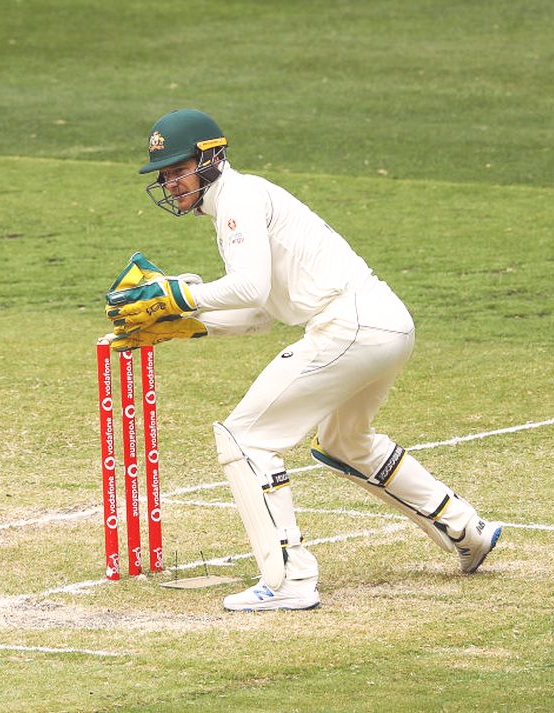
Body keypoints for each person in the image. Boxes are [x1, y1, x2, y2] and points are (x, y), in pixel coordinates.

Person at [105, 109, 502, 611]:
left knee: (246, 437)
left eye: (176, 169)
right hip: (384, 322)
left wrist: (176, 294)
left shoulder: (238, 198)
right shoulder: (240, 201)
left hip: (351, 324)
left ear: (210, 159)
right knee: (344, 441)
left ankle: (289, 579)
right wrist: (183, 324)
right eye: (164, 174)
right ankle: (466, 529)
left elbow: (248, 287)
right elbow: (259, 312)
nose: (169, 181)